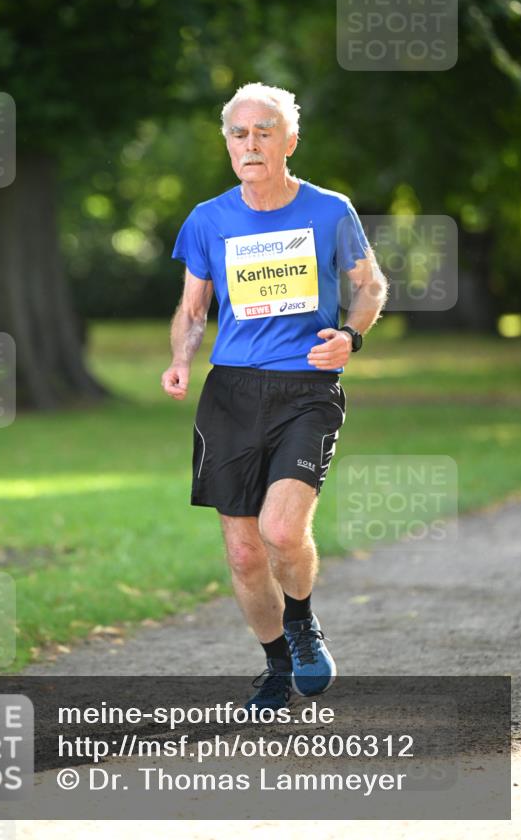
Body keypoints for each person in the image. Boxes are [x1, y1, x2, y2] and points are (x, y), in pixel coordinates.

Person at [161, 83, 388, 713]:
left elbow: (370, 287)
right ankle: (274, 665)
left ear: (289, 140)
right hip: (230, 392)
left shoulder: (328, 210)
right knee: (242, 550)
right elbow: (192, 308)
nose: (251, 143)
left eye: (265, 131)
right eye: (239, 133)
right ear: (228, 145)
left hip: (306, 389)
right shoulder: (208, 220)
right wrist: (180, 358)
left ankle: (302, 619)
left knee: (282, 531)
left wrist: (350, 335)